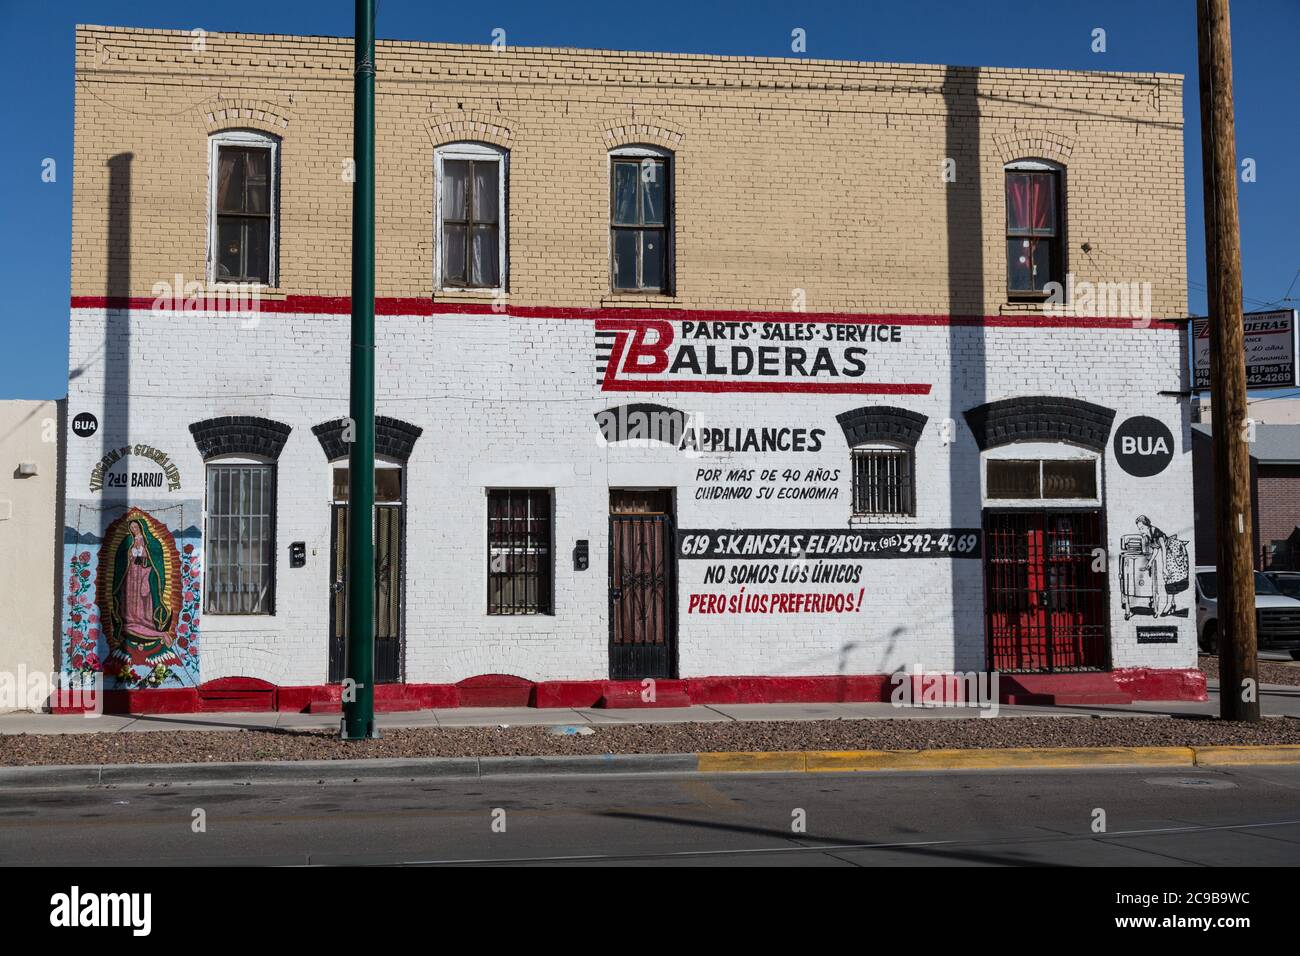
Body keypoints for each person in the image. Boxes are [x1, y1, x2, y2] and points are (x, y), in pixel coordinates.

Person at [1135, 515, 1172, 616]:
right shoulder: (1149, 534)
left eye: (1142, 528)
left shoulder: (1155, 532)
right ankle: (1171, 603)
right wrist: (1150, 562)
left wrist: (1164, 567)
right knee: (1169, 578)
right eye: (1139, 528)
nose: (1140, 530)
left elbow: (1163, 548)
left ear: (1147, 526)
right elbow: (1156, 549)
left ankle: (1169, 604)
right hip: (1167, 552)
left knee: (1169, 578)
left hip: (1171, 551)